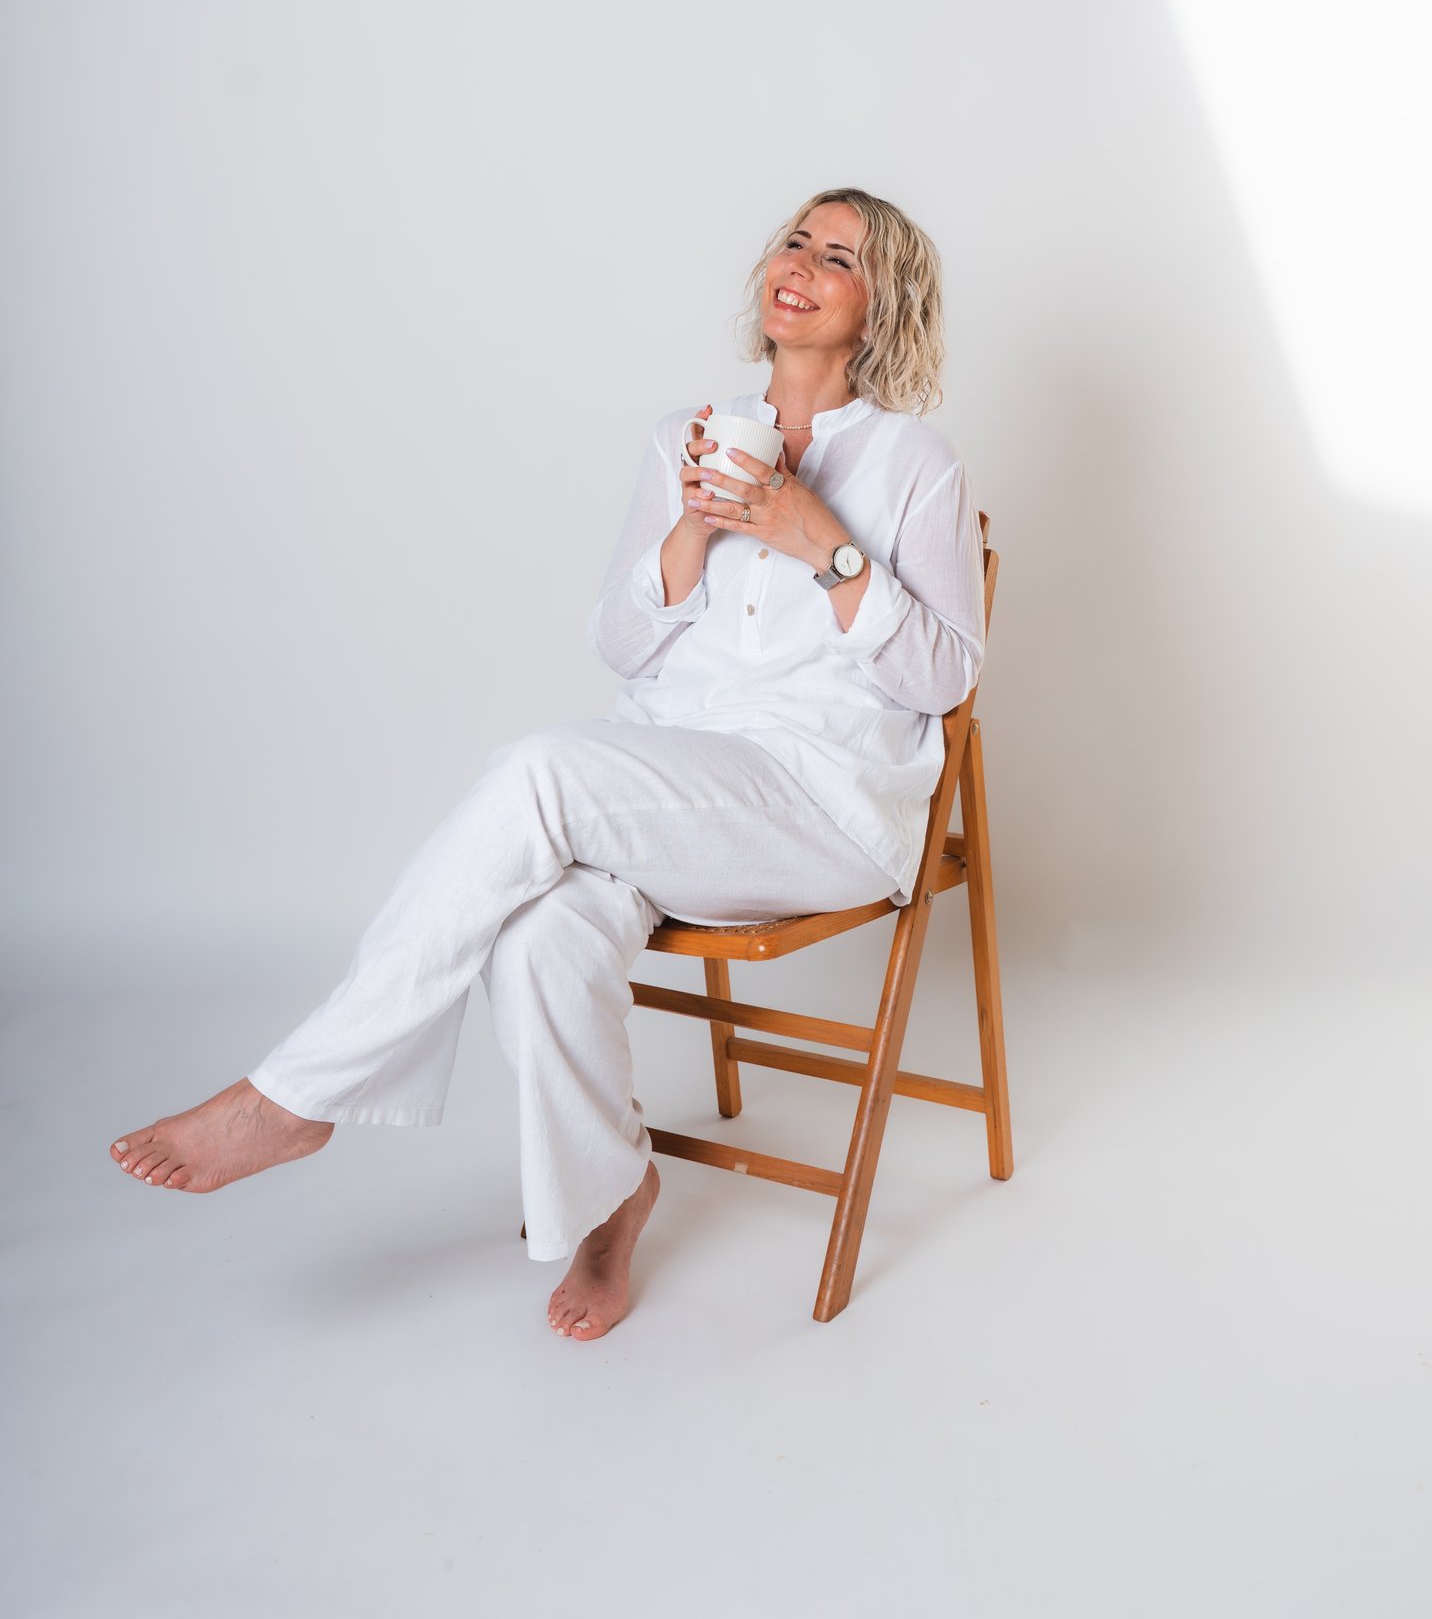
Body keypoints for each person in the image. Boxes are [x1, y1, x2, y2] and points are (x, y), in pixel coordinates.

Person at [108, 188, 986, 1341]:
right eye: (794, 242)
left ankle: (299, 1093)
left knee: (540, 771)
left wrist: (811, 536)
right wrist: (692, 529)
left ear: (881, 306)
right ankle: (614, 1197)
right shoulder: (686, 437)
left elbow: (945, 681)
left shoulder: (916, 463)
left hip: (820, 802)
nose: (802, 265)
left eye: (839, 258)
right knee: (535, 936)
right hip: (671, 782)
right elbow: (620, 645)